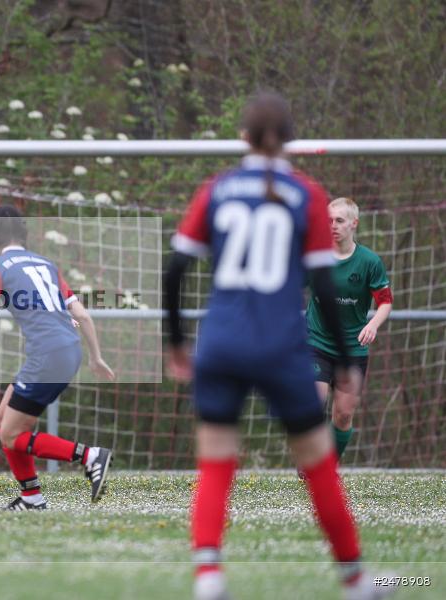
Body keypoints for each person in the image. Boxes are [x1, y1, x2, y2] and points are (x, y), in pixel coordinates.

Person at [164, 91, 392, 600]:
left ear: (242, 137)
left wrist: (177, 342)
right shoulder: (307, 194)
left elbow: (176, 269)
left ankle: (208, 578)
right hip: (282, 345)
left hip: (221, 342)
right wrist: (344, 356)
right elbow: (325, 288)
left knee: (217, 457)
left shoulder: (218, 188)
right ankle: (355, 581)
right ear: (291, 139)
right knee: (317, 460)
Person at [0, 205, 116, 510]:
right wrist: (96, 358)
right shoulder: (45, 263)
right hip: (66, 350)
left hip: (47, 356)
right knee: (2, 422)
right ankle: (32, 498)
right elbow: (83, 315)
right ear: (25, 234)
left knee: (11, 435)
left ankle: (89, 456)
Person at [306, 197, 392, 460]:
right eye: (329, 220)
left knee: (343, 415)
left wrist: (373, 324)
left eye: (339, 220)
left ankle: (328, 463)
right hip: (317, 342)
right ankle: (311, 459)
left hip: (353, 346)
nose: (333, 225)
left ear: (354, 224)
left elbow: (385, 302)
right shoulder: (315, 257)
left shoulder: (369, 262)